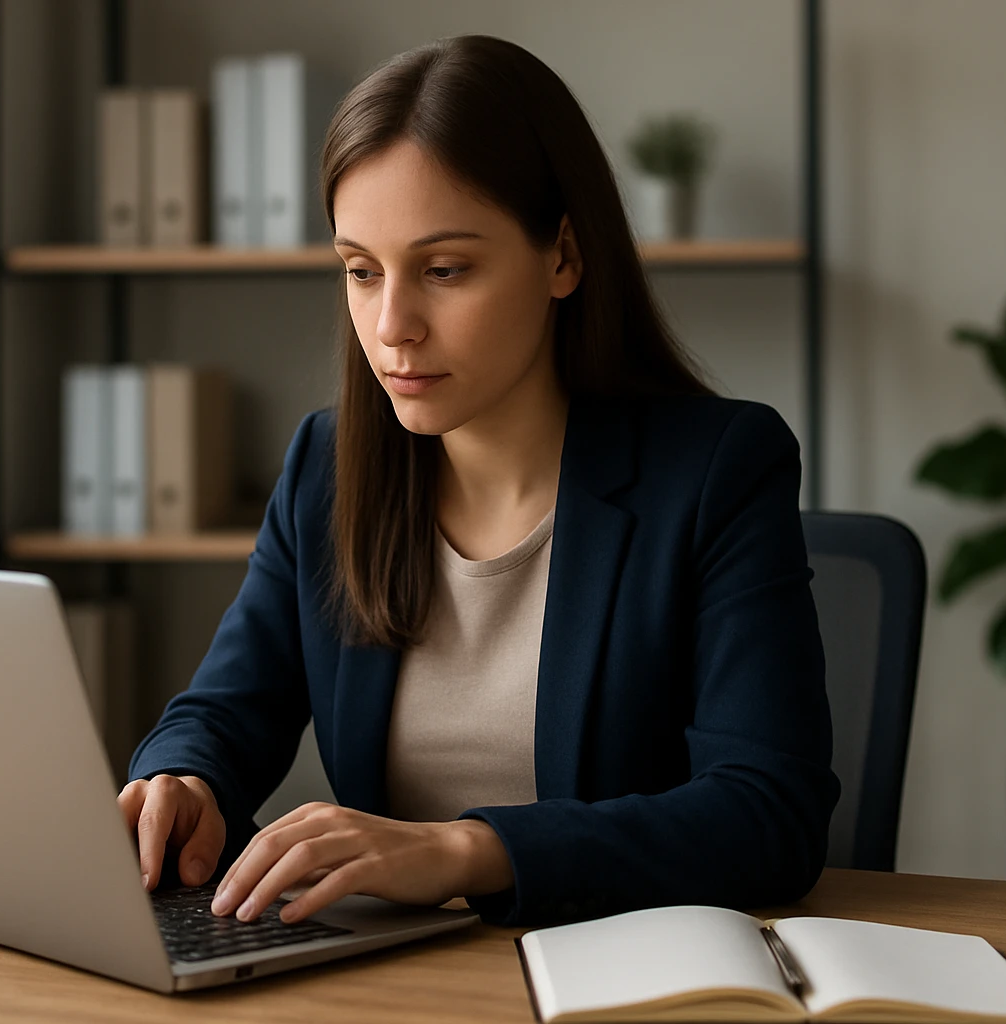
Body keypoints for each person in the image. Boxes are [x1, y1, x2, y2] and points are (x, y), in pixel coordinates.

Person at [118, 34, 839, 930]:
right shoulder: (327, 469)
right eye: (361, 270)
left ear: (563, 257)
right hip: (399, 980)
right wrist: (180, 778)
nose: (392, 326)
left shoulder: (718, 470)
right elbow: (223, 711)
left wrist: (465, 849)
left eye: (444, 270)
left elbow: (768, 811)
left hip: (619, 974)